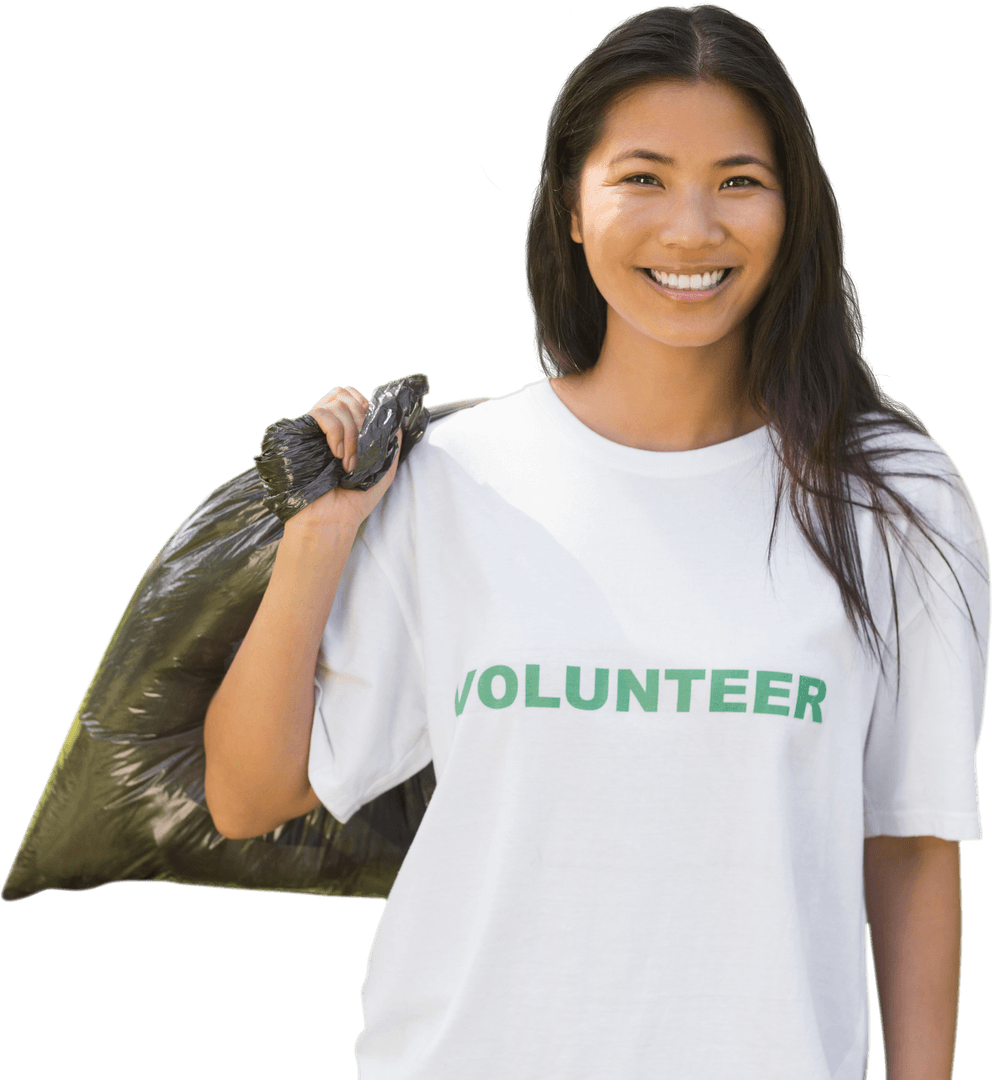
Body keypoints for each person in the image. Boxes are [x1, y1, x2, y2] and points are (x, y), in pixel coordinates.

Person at [203, 4, 989, 1078]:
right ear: (571, 206)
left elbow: (909, 845)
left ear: (793, 207)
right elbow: (248, 794)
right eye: (643, 177)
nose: (691, 229)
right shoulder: (453, 475)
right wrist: (319, 537)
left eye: (738, 181)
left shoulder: (890, 498)